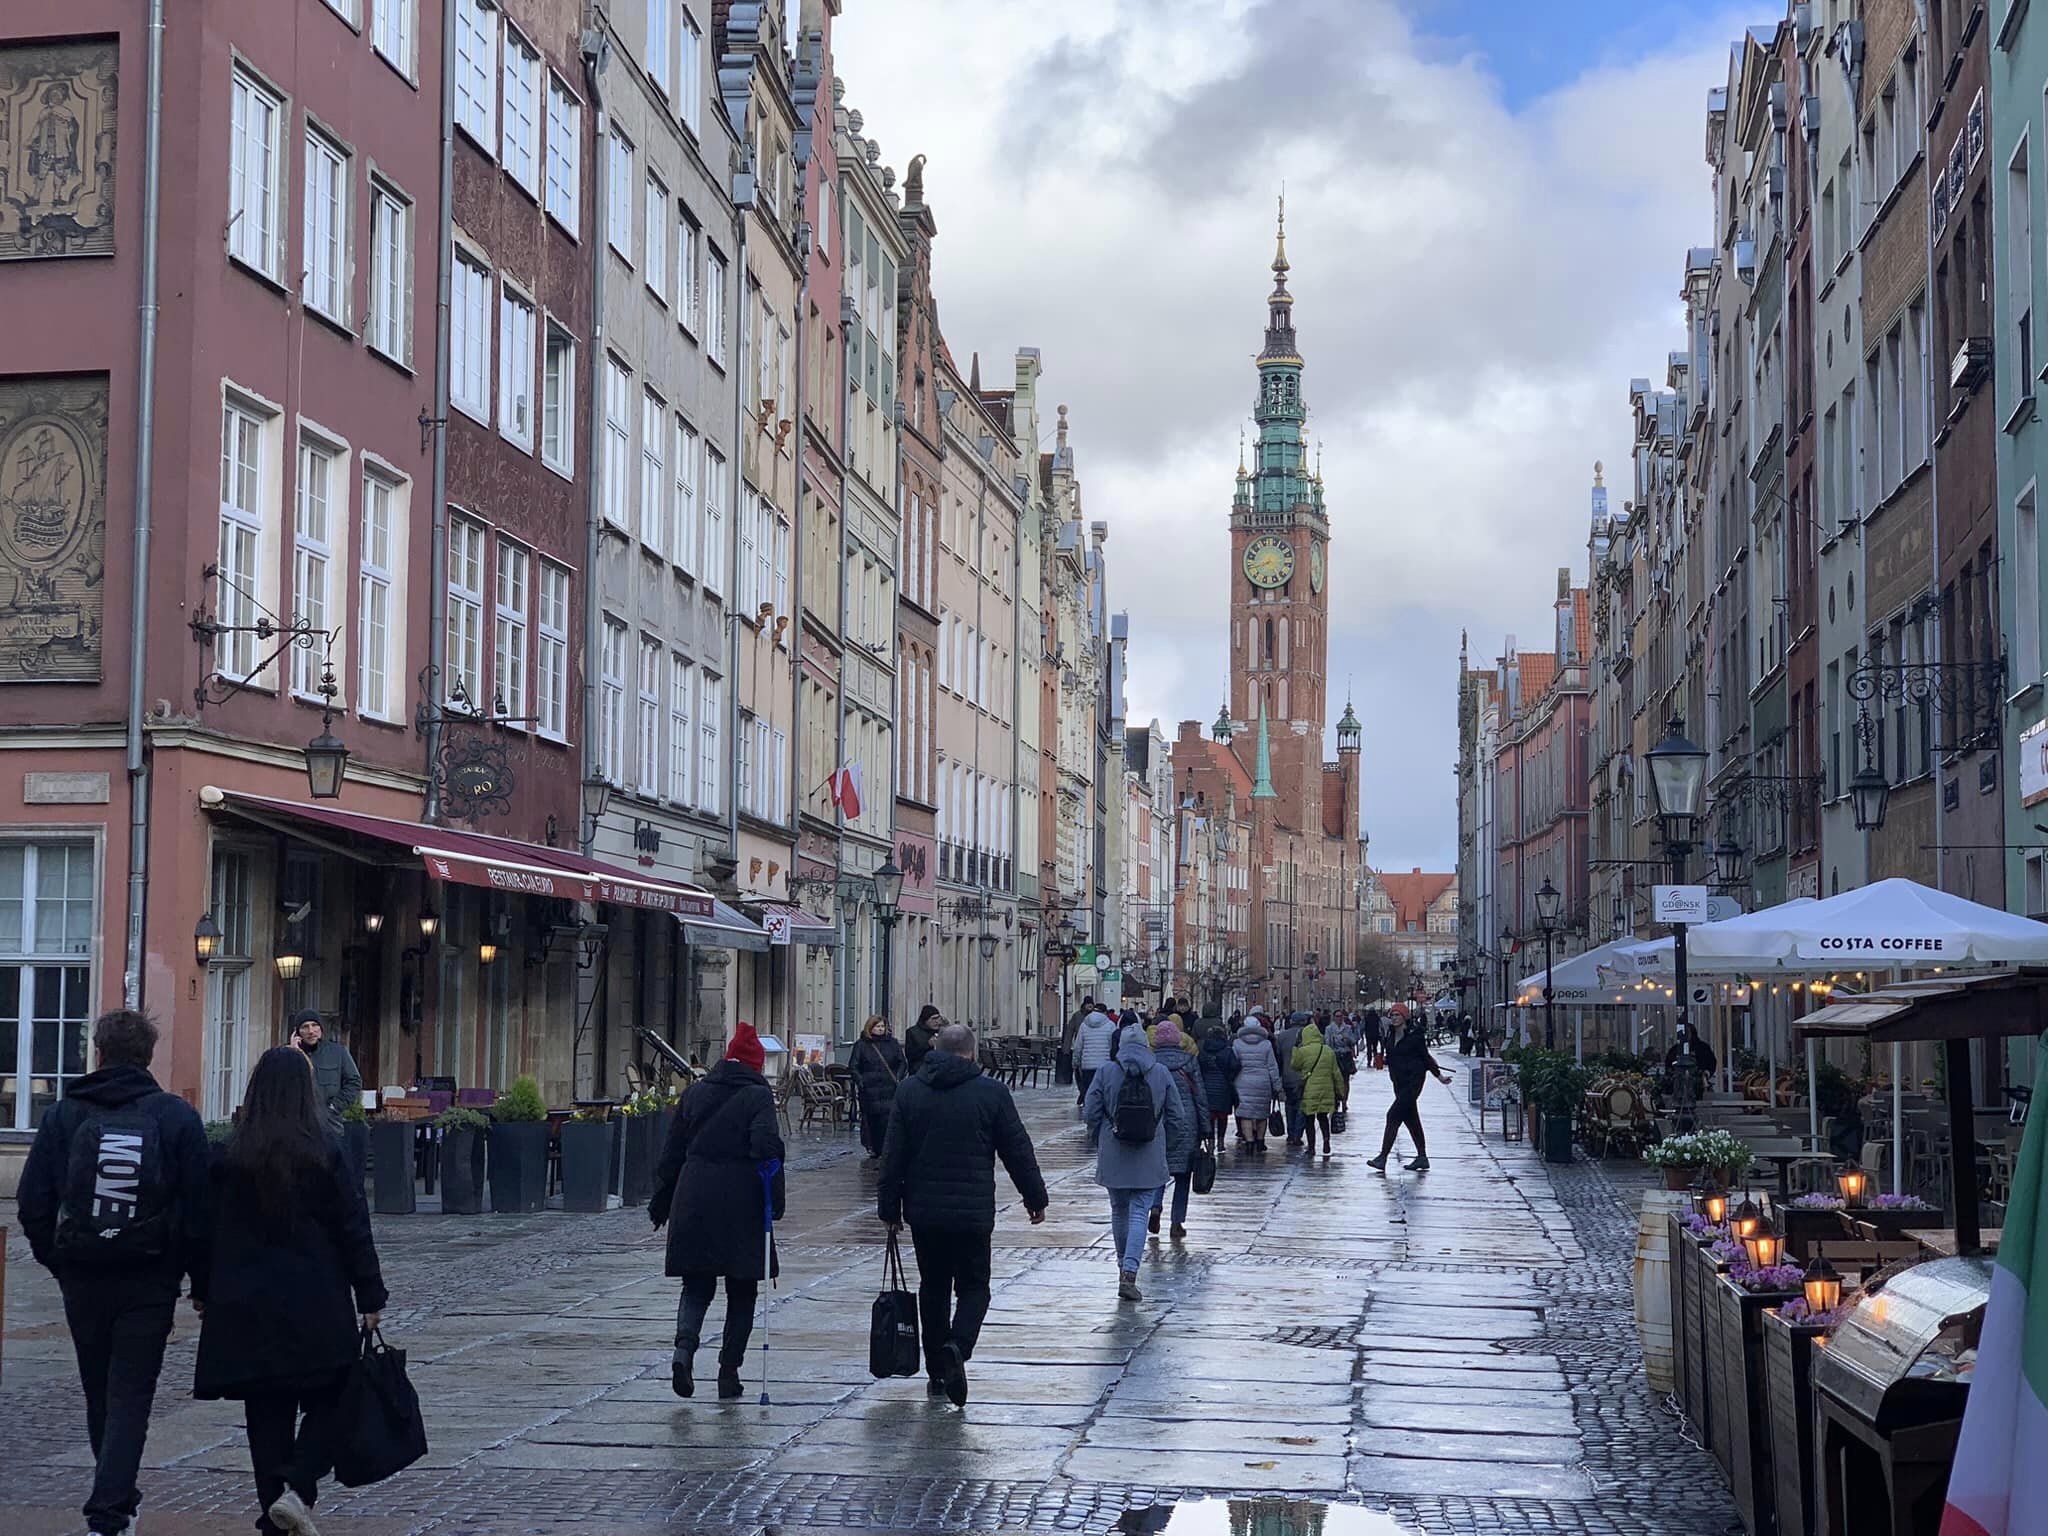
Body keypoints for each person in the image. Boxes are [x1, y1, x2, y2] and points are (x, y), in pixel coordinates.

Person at [18, 1009, 212, 1536]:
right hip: (149, 1276)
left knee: (99, 1388)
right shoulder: (174, 1116)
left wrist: (56, 1260)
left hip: (82, 1274)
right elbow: (200, 1209)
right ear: (149, 1056)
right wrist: (199, 1280)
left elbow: (32, 1200)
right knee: (131, 1392)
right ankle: (110, 1509)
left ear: (98, 1053)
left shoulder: (65, 1115)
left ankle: (114, 1499)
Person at [194, 1046, 387, 1536]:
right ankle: (297, 1488)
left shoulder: (229, 1155)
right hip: (314, 1299)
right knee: (336, 1393)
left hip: (245, 1304)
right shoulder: (324, 1151)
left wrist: (201, 1288)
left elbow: (201, 1229)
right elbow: (352, 1227)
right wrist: (370, 1295)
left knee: (266, 1415)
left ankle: (277, 1515)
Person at [878, 1023, 1048, 1405]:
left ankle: (938, 1370)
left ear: (937, 1048)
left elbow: (893, 1157)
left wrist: (889, 1208)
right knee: (974, 1287)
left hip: (924, 1212)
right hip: (972, 1213)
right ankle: (959, 1345)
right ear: (972, 1053)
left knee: (933, 1288)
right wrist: (1034, 1197)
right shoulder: (991, 1093)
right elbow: (1016, 1149)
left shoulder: (910, 1091)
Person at [650, 1022, 785, 1400]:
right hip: (741, 1201)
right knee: (742, 1290)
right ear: (756, 1066)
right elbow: (765, 1148)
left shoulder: (695, 1093)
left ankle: (684, 1351)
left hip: (695, 1196)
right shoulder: (758, 1098)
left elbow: (671, 1153)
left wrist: (662, 1201)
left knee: (696, 1284)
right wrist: (776, 1198)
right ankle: (729, 1371)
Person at [1082, 1023, 1189, 1300]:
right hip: (1150, 1150)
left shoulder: (1106, 1071)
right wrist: (1167, 1145)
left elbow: (1091, 1110)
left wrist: (1099, 1136)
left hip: (1113, 1148)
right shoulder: (1161, 1072)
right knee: (1140, 1210)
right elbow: (1177, 1116)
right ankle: (1130, 1271)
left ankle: (1122, 1267)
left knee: (1119, 1210)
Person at [1147, 1020, 1209, 1240]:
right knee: (1183, 1175)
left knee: (1158, 1173)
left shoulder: (1151, 1063)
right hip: (1186, 1123)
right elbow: (1199, 1096)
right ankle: (1176, 1222)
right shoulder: (1189, 1061)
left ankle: (1155, 1207)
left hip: (1158, 1123)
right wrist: (1206, 1128)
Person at [1368, 1015, 1454, 1172]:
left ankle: (1382, 1157)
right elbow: (1395, 1057)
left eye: (1397, 1015)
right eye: (1392, 1015)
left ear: (1404, 1018)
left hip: (1413, 1082)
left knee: (1392, 1115)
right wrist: (1383, 1061)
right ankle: (1422, 1157)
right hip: (1398, 1083)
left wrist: (1439, 1076)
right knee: (1411, 1119)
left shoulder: (1415, 1037)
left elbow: (1426, 1058)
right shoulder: (1391, 1035)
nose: (1394, 1018)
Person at [291, 1011, 362, 1135]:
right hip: (297, 1126)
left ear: (321, 1028)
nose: (311, 1031)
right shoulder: (287, 1055)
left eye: (314, 1025)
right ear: (297, 1032)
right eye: (305, 1027)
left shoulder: (338, 1052)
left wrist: (335, 1107)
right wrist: (294, 1053)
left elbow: (354, 1082)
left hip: (330, 1126)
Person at [849, 1015, 907, 1161]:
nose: (880, 1029)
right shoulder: (861, 1045)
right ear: (870, 1028)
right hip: (870, 1089)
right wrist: (861, 1082)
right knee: (871, 1120)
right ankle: (873, 1147)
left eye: (882, 1027)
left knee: (887, 1119)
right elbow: (854, 1066)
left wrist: (898, 1077)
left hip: (889, 1087)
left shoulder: (892, 1043)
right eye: (878, 1027)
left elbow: (902, 1062)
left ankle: (886, 1148)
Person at [1291, 1021, 1345, 1157]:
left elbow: (1295, 1065)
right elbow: (1336, 1073)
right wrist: (1340, 1092)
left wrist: (1296, 1048)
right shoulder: (1328, 1050)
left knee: (1309, 1119)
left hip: (1309, 1090)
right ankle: (1326, 1141)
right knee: (1323, 1117)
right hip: (1326, 1090)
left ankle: (1311, 1147)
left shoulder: (1303, 1051)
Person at [1231, 1017, 1280, 1151]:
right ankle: (1260, 1141)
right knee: (1262, 1113)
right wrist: (1276, 1085)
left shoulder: (1237, 1043)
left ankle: (1249, 1142)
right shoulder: (1266, 1044)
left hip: (1243, 1081)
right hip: (1262, 1082)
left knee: (1245, 1114)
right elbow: (1272, 1066)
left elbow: (1233, 1064)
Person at [1196, 1023, 1240, 1147]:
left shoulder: (1203, 1051)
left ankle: (1210, 1141)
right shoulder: (1227, 1051)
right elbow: (1235, 1066)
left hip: (1207, 1087)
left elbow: (1198, 1066)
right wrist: (1230, 1078)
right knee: (1222, 1116)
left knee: (1209, 1116)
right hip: (1223, 1088)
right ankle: (1221, 1141)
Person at [1071, 997, 1117, 1106]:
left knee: (1088, 1092)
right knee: (1103, 1092)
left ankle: (1089, 1114)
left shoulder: (1084, 1025)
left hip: (1087, 1065)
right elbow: (1113, 1046)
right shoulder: (1110, 1025)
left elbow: (1078, 1047)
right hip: (1105, 1065)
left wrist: (1075, 1062)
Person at [1273, 1013, 1308, 1148]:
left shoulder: (1282, 1036)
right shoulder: (1307, 1035)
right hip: (1303, 1076)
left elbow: (1279, 1057)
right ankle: (1297, 1135)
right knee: (1301, 1106)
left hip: (1287, 1076)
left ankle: (1290, 1132)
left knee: (1289, 1105)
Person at [904, 1004, 942, 1074]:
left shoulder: (942, 1031)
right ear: (925, 1020)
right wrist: (927, 1045)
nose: (937, 1022)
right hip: (919, 1073)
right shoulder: (913, 1032)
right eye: (933, 1019)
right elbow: (910, 1055)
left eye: (938, 1018)